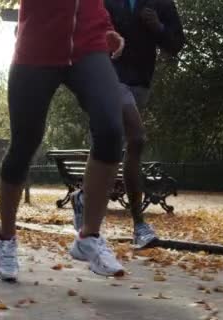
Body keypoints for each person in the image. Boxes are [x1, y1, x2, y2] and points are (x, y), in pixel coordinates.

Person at [0, 0, 128, 281]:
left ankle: (88, 237)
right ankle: (6, 238)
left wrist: (107, 27)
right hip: (37, 46)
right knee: (24, 143)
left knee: (111, 130)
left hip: (89, 43)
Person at [71, 0, 185, 249]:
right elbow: (85, 30)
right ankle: (139, 225)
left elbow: (176, 43)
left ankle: (83, 196)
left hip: (141, 81)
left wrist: (158, 27)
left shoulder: (162, 3)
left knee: (109, 143)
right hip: (109, 75)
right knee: (137, 137)